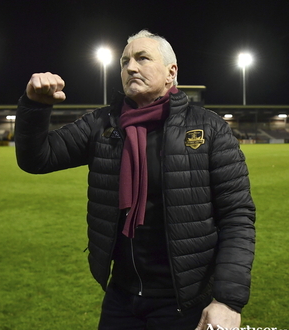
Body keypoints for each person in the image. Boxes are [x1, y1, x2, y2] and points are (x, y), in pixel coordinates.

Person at [15, 30, 256, 330]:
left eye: (142, 58)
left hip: (184, 301)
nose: (130, 67)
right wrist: (35, 107)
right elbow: (37, 158)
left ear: (172, 72)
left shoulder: (210, 129)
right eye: (124, 61)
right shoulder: (103, 125)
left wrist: (227, 300)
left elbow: (237, 217)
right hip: (122, 297)